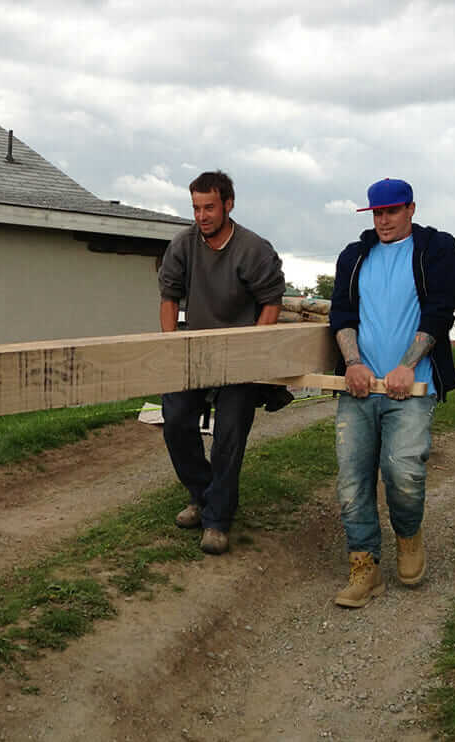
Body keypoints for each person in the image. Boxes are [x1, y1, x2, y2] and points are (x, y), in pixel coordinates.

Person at [328, 178, 455, 608]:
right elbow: (342, 314)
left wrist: (406, 366)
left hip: (413, 384)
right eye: (376, 213)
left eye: (391, 211)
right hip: (360, 387)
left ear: (411, 209)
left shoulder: (437, 249)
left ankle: (408, 534)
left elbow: (441, 310)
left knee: (403, 472)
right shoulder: (354, 256)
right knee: (352, 481)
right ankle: (364, 565)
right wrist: (352, 363)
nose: (383, 220)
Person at [157, 170, 287, 555]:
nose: (202, 215)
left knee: (228, 435)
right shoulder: (183, 244)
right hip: (197, 352)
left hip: (240, 357)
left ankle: (217, 521)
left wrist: (252, 350)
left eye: (209, 207)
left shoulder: (253, 249)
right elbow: (169, 297)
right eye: (196, 207)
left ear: (228, 204)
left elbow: (271, 303)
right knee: (176, 421)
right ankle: (203, 495)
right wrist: (171, 346)